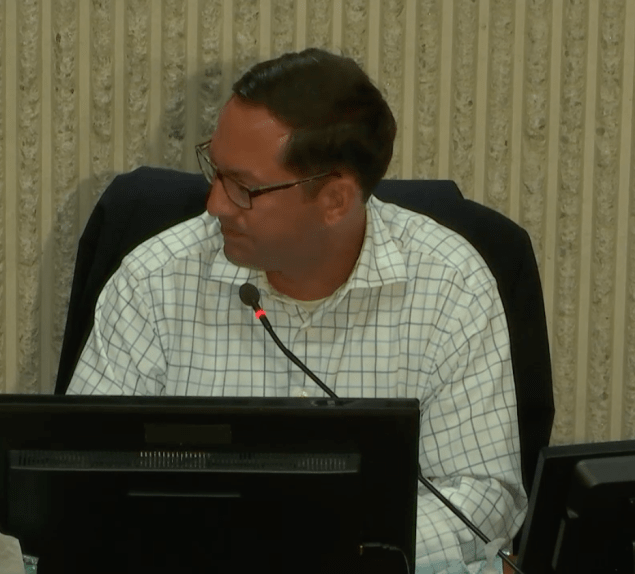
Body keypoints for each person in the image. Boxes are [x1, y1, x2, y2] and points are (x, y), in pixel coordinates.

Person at [67, 48, 525, 568]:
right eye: (214, 170)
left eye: (242, 187)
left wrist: (328, 551)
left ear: (335, 200)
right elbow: (81, 482)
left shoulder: (450, 285)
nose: (215, 204)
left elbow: (482, 500)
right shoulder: (154, 281)